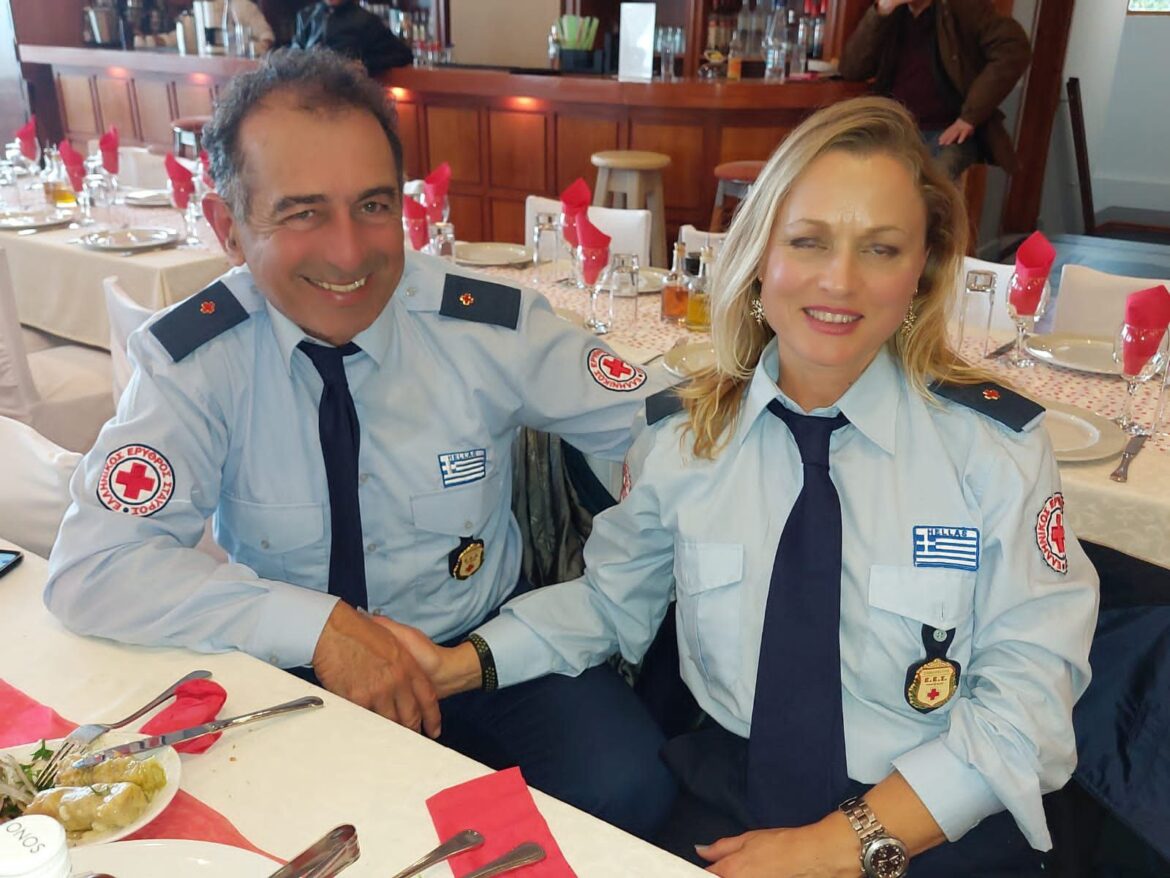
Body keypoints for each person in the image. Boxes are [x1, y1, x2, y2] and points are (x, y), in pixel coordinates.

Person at [387, 97, 1100, 877]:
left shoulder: (995, 453)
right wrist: (458, 663)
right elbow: (607, 605)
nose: (840, 280)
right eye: (808, 241)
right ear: (760, 255)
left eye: (882, 248)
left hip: (935, 819)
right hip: (734, 802)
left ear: (922, 273)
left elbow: (1027, 707)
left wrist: (832, 848)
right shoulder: (685, 439)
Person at [44, 48, 674, 839]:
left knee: (633, 791)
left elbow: (671, 430)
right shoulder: (200, 361)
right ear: (228, 229)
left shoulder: (484, 327)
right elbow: (93, 568)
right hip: (293, 662)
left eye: (373, 206)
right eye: (302, 213)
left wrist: (598, 594)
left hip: (479, 651)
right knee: (281, 836)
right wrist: (319, 627)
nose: (349, 255)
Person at [839, 0, 1031, 180]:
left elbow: (1014, 48)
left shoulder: (963, 6)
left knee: (929, 188)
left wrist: (970, 117)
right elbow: (852, 70)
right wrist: (880, 12)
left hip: (946, 131)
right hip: (894, 128)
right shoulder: (890, 13)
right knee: (855, 176)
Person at [291, 0, 412, 75]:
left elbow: (403, 55)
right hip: (309, 88)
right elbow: (294, 53)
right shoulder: (305, 16)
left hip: (347, 92)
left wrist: (365, 65)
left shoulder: (366, 21)